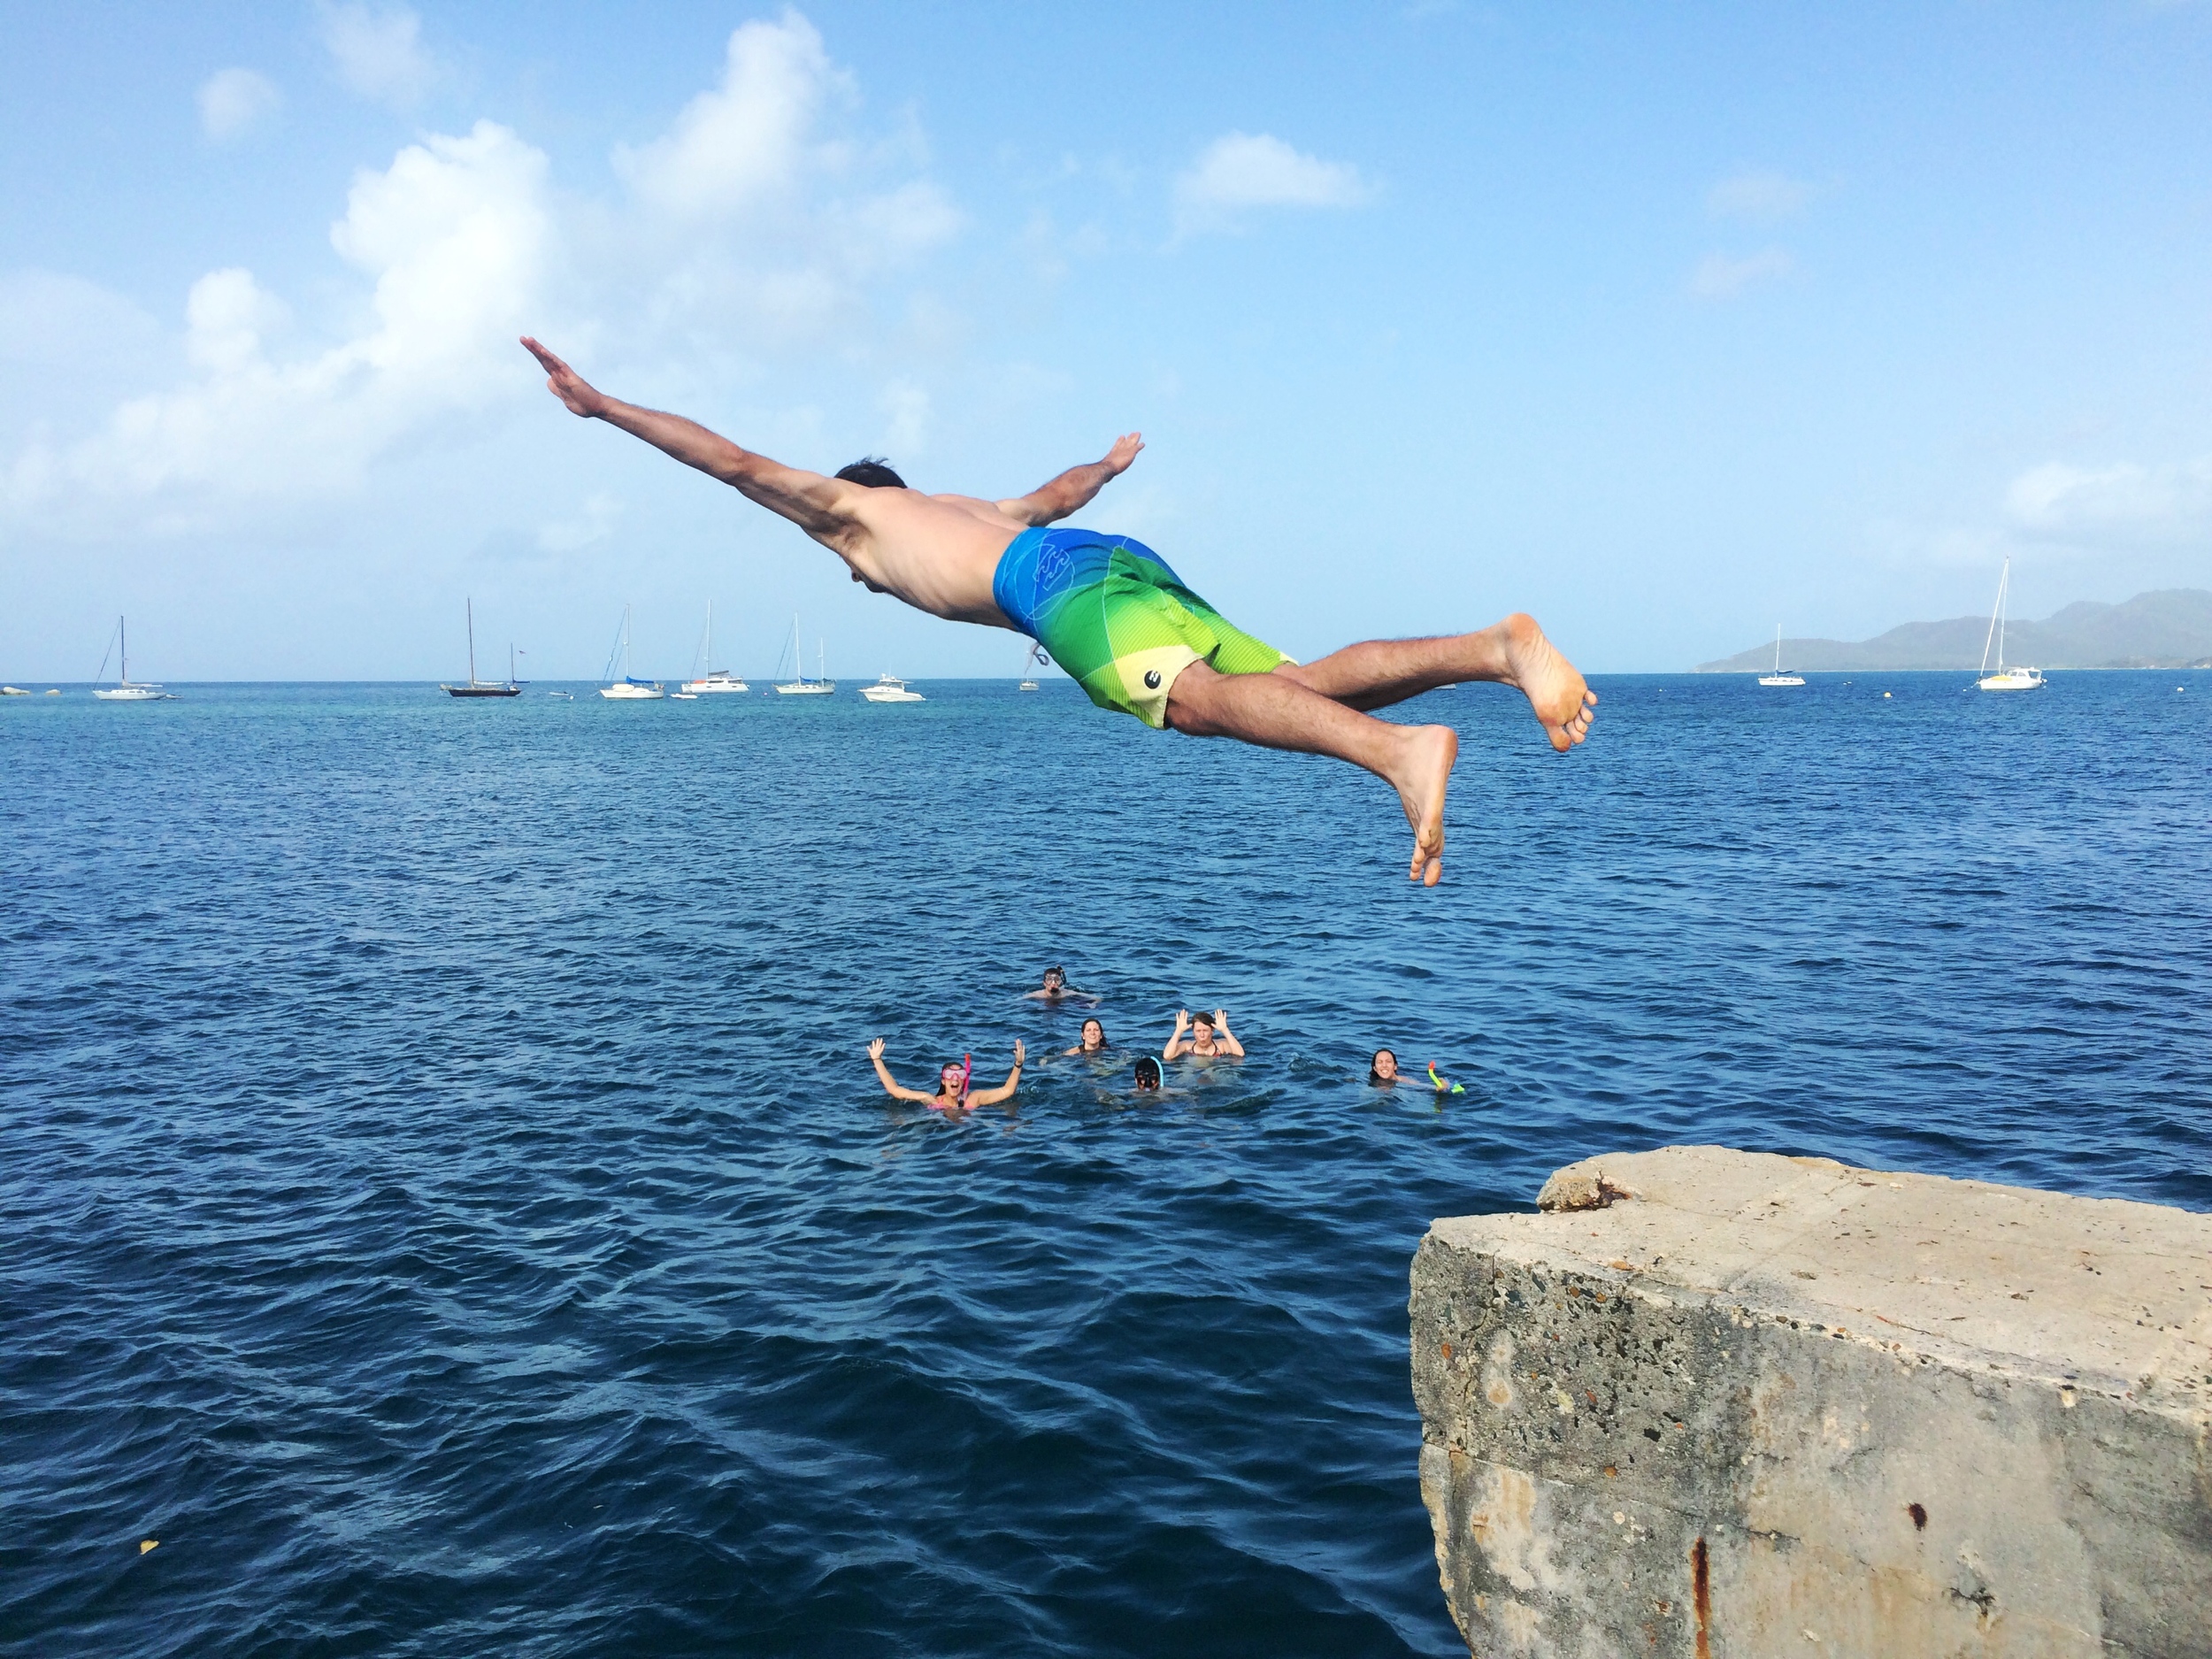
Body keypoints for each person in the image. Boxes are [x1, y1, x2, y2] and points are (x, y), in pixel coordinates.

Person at [521, 338, 1598, 886]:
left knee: (1197, 705)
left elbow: (732, 462)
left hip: (1053, 591)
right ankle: (1492, 649)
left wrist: (603, 407)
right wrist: (1112, 463)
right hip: (1100, 554)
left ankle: (1399, 755)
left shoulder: (847, 515)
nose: (854, 575)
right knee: (1293, 685)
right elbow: (1062, 492)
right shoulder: (968, 506)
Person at [867, 1037, 1024, 1110]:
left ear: (964, 1079)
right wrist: (877, 1060)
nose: (955, 1078)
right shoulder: (930, 1100)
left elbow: (1007, 1091)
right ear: (943, 1080)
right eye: (950, 1074)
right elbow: (894, 1090)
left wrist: (1018, 1064)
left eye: (960, 1074)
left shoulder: (974, 1099)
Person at [1164, 1009, 1244, 1061]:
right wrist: (1178, 1031)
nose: (1202, 1035)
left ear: (1212, 1031)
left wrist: (1225, 1030)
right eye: (1198, 1031)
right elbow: (1167, 1056)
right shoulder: (1187, 1046)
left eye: (1205, 1031)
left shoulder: (1221, 1045)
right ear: (1193, 1032)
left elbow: (1240, 1055)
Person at [1024, 965, 1100, 1005]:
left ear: (1061, 982)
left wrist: (1092, 1004)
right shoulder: (1037, 995)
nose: (1053, 983)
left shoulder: (1067, 993)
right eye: (1049, 980)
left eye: (1057, 980)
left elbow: (1097, 998)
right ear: (1044, 983)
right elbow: (1019, 1002)